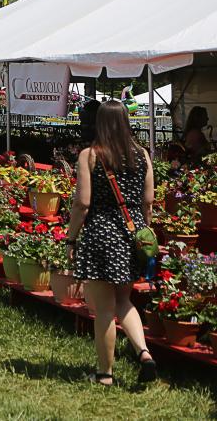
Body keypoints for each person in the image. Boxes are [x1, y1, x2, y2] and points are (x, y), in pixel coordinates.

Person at [65, 101, 157, 386]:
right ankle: (143, 353)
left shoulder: (90, 155)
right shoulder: (142, 155)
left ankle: (105, 375)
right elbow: (148, 201)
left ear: (99, 123)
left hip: (102, 234)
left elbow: (82, 203)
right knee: (124, 300)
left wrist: (70, 237)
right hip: (133, 233)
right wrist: (144, 230)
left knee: (104, 310)